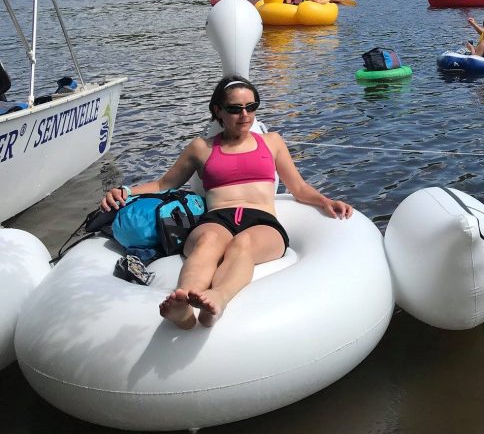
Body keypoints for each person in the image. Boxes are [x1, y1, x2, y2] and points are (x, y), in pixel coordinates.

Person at [98, 76, 352, 329]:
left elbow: (298, 187)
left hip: (262, 221)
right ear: (217, 110)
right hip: (218, 218)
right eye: (235, 109)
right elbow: (165, 184)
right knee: (207, 242)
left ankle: (218, 297)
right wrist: (126, 191)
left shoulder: (272, 142)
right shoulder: (201, 148)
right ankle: (183, 303)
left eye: (251, 107)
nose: (245, 115)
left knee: (244, 244)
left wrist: (325, 201)